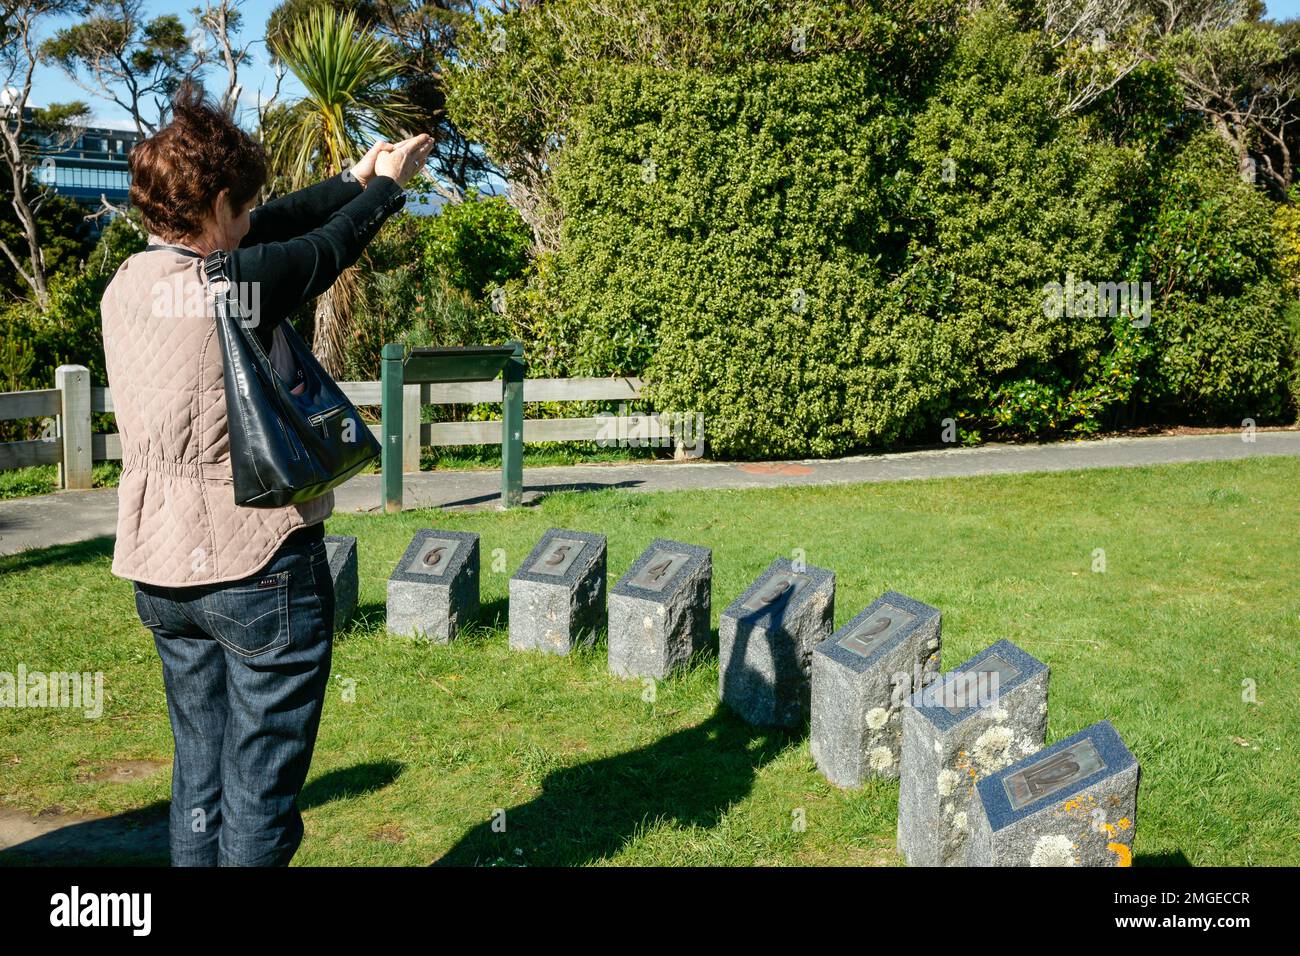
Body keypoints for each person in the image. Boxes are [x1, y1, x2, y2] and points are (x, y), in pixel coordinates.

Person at [101, 81, 433, 866]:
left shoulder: (128, 285)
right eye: (240, 206)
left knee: (201, 781)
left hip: (160, 568)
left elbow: (271, 231)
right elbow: (322, 252)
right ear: (218, 207)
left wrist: (354, 178)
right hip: (255, 562)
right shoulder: (235, 290)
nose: (251, 216)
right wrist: (387, 190)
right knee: (260, 797)